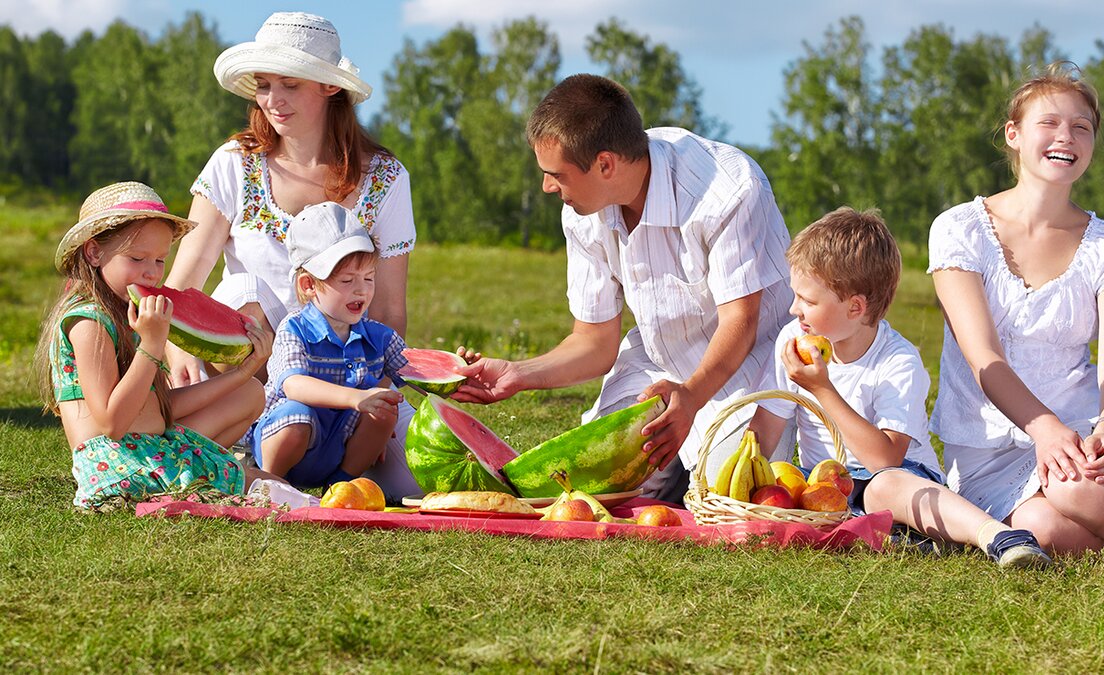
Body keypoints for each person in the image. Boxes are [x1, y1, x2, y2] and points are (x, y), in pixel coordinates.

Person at [454, 74, 793, 502]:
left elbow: (741, 323)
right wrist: (520, 374)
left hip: (750, 366)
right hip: (656, 365)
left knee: (729, 497)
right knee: (587, 490)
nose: (546, 187)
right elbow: (594, 341)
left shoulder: (729, 190)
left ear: (606, 164)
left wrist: (689, 398)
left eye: (555, 175)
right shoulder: (581, 210)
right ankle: (668, 479)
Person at [929, 61, 1104, 559]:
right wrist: (1043, 430)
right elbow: (983, 357)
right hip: (988, 450)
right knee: (1047, 531)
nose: (1066, 137)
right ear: (1013, 134)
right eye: (1049, 123)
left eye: (1082, 127)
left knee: (1075, 490)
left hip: (1081, 438)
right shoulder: (958, 230)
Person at [163, 11, 419, 496]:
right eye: (263, 85)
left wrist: (379, 400)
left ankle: (315, 462)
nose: (272, 102)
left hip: (346, 376)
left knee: (415, 486)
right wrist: (177, 351)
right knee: (239, 287)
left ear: (329, 88)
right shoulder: (235, 164)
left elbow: (387, 309)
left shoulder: (385, 177)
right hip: (246, 376)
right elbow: (181, 286)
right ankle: (249, 440)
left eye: (290, 85)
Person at [748, 207, 1051, 568]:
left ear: (855, 307)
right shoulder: (794, 342)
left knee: (882, 488)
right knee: (795, 498)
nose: (793, 309)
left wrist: (823, 390)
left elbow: (885, 459)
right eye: (796, 296)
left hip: (899, 478)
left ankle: (997, 535)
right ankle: (905, 539)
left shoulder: (897, 362)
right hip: (828, 491)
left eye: (808, 301)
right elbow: (766, 429)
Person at [37, 182, 272, 509]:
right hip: (119, 464)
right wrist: (151, 345)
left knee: (250, 394)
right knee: (261, 485)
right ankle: (202, 469)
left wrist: (242, 373)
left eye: (160, 260)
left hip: (150, 441)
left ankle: (205, 464)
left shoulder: (129, 312)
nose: (151, 272)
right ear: (94, 252)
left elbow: (160, 411)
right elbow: (112, 424)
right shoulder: (89, 322)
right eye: (137, 258)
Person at [248, 202, 408, 489]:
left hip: (337, 449)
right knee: (298, 414)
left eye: (369, 278)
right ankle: (271, 484)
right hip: (287, 438)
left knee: (384, 409)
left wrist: (462, 372)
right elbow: (294, 385)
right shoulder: (294, 328)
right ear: (309, 285)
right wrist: (355, 398)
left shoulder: (378, 336)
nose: (362, 290)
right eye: (347, 280)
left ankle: (341, 485)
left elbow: (417, 369)